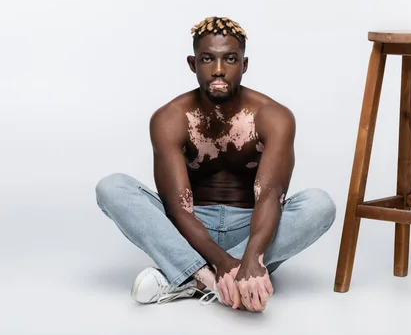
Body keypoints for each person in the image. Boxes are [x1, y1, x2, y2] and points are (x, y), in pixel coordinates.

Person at [95, 16, 336, 312]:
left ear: (244, 65)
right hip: (191, 227)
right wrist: (222, 262)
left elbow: (270, 196)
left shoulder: (273, 116)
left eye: (230, 59)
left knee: (320, 205)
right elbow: (178, 210)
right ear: (192, 63)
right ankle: (213, 279)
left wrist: (251, 257)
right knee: (112, 187)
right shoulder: (170, 118)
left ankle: (187, 277)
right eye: (208, 59)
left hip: (252, 227)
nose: (219, 70)